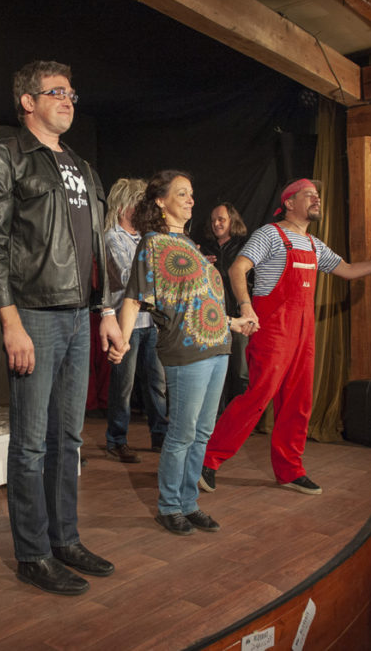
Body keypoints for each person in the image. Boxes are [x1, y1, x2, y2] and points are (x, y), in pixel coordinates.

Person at [0, 60, 124, 596]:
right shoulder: (6, 155)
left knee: (69, 439)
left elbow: (99, 246)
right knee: (32, 443)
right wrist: (10, 321)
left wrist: (106, 311)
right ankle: (33, 554)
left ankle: (65, 540)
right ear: (27, 101)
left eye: (71, 93)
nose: (67, 100)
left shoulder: (82, 166)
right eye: (56, 92)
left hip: (80, 315)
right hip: (34, 313)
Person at [199, 178, 371, 496]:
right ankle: (207, 461)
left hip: (304, 333)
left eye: (317, 195)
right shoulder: (269, 234)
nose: (317, 199)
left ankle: (290, 470)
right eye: (309, 195)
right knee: (257, 397)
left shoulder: (314, 245)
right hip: (273, 330)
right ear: (289, 203)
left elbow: (348, 270)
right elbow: (237, 269)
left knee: (298, 403)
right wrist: (246, 306)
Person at [111, 170, 241, 536]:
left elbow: (199, 299)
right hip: (186, 350)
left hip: (217, 346)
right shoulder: (152, 244)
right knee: (182, 433)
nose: (190, 199)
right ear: (160, 200)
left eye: (191, 193)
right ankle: (169, 506)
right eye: (181, 193)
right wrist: (123, 341)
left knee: (202, 432)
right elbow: (134, 298)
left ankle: (189, 503)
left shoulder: (191, 245)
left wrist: (232, 323)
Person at [103, 177, 169, 462]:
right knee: (123, 385)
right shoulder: (112, 238)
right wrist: (160, 275)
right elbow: (128, 278)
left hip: (151, 322)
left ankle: (160, 436)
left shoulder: (147, 237)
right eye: (138, 204)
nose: (143, 209)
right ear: (122, 207)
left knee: (157, 383)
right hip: (125, 323)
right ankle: (116, 440)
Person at [202, 202, 250, 412]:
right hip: (212, 319)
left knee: (240, 371)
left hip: (239, 317)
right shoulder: (204, 248)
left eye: (221, 219)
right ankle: (216, 418)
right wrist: (201, 264)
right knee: (214, 372)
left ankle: (239, 418)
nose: (216, 224)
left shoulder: (245, 246)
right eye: (213, 220)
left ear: (232, 221)